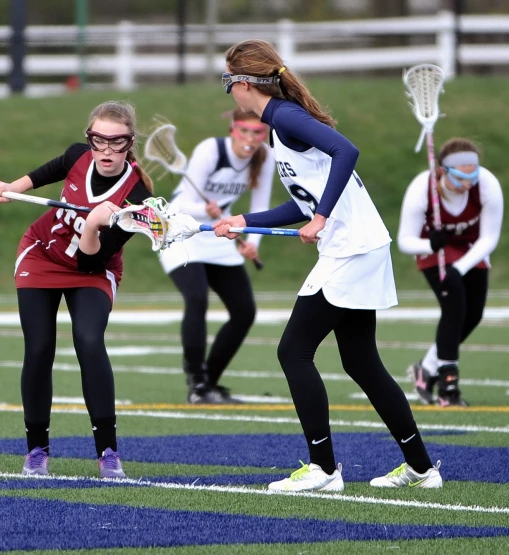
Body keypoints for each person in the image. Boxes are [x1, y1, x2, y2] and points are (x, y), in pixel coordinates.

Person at [213, 39, 442, 491]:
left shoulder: (283, 116)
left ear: (244, 83)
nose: (229, 91)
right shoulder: (279, 125)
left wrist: (321, 218)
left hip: (352, 249)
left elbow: (346, 151)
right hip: (358, 245)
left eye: (228, 82)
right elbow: (305, 200)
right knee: (361, 361)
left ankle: (323, 470)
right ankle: (421, 468)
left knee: (293, 351)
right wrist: (246, 221)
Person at [0, 101, 154, 479]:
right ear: (89, 139)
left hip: (92, 268)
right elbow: (52, 169)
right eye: (99, 141)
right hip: (41, 253)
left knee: (89, 341)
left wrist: (94, 225)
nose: (107, 151)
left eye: (117, 142)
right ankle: (36, 450)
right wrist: (11, 187)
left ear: (131, 143)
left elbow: (92, 262)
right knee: (40, 346)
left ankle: (108, 451)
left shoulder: (136, 197)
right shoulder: (79, 156)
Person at [159, 108, 274, 404]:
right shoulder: (210, 150)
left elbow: (259, 208)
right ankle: (197, 384)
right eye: (244, 131)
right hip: (180, 229)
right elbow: (184, 203)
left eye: (257, 132)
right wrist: (211, 212)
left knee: (244, 311)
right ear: (233, 130)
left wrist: (254, 242)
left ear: (265, 134)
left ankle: (210, 382)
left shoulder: (266, 157)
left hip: (218, 234)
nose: (250, 139)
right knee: (197, 298)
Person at [398, 138, 503, 407]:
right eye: (460, 178)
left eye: (473, 177)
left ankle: (426, 368)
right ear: (443, 171)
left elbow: (489, 238)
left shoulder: (487, 185)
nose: (467, 184)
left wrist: (459, 268)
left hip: (471, 250)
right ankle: (448, 386)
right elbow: (404, 241)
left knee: (474, 314)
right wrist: (429, 244)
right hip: (435, 251)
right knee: (454, 307)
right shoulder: (422, 188)